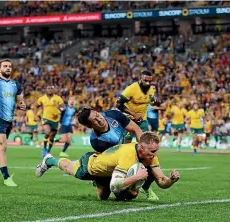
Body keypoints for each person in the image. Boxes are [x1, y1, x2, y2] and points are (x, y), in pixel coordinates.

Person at [35, 132, 180, 201]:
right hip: (92, 166)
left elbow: (161, 181)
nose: (155, 154)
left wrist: (171, 180)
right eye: (153, 151)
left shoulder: (150, 156)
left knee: (104, 198)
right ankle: (49, 160)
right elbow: (114, 186)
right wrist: (136, 177)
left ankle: (99, 182)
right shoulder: (128, 155)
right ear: (141, 148)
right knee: (68, 167)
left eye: (156, 151)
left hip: (110, 172)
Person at [117, 70, 161, 143]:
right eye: (145, 81)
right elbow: (118, 104)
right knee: (127, 141)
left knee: (144, 140)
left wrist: (156, 102)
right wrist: (134, 114)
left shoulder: (151, 90)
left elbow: (151, 102)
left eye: (150, 81)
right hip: (129, 118)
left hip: (142, 119)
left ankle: (140, 154)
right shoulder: (131, 88)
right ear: (140, 79)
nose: (148, 83)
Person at [77, 107, 142, 153]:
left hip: (135, 149)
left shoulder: (113, 115)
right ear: (90, 126)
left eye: (97, 115)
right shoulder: (96, 142)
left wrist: (142, 149)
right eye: (95, 121)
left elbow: (136, 129)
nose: (100, 120)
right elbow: (112, 159)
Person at [36, 85, 65, 157]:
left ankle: (48, 151)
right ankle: (44, 149)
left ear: (53, 90)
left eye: (51, 89)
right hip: (46, 118)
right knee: (47, 132)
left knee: (52, 137)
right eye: (48, 88)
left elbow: (64, 107)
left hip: (55, 120)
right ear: (46, 90)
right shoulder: (42, 98)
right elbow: (36, 106)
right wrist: (35, 115)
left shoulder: (58, 98)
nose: (50, 90)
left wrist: (59, 111)